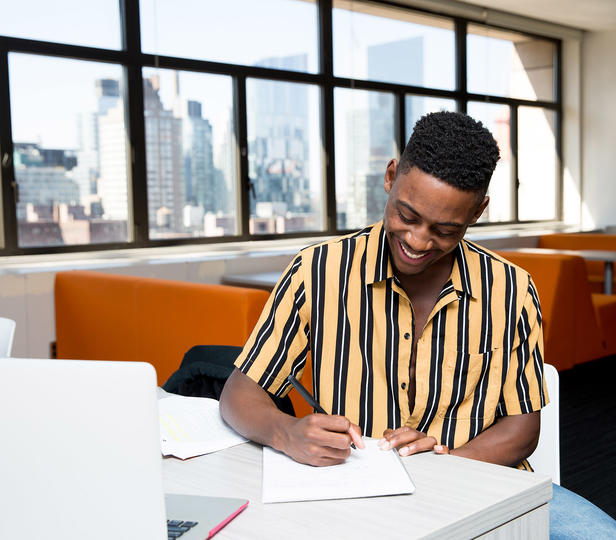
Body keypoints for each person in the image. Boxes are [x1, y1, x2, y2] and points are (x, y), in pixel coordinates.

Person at [220, 111, 616, 537]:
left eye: (445, 231)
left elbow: (522, 430)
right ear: (391, 176)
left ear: (478, 212)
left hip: (484, 487)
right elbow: (239, 395)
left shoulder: (511, 290)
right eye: (407, 216)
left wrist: (443, 464)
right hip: (361, 495)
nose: (418, 241)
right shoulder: (316, 272)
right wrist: (286, 431)